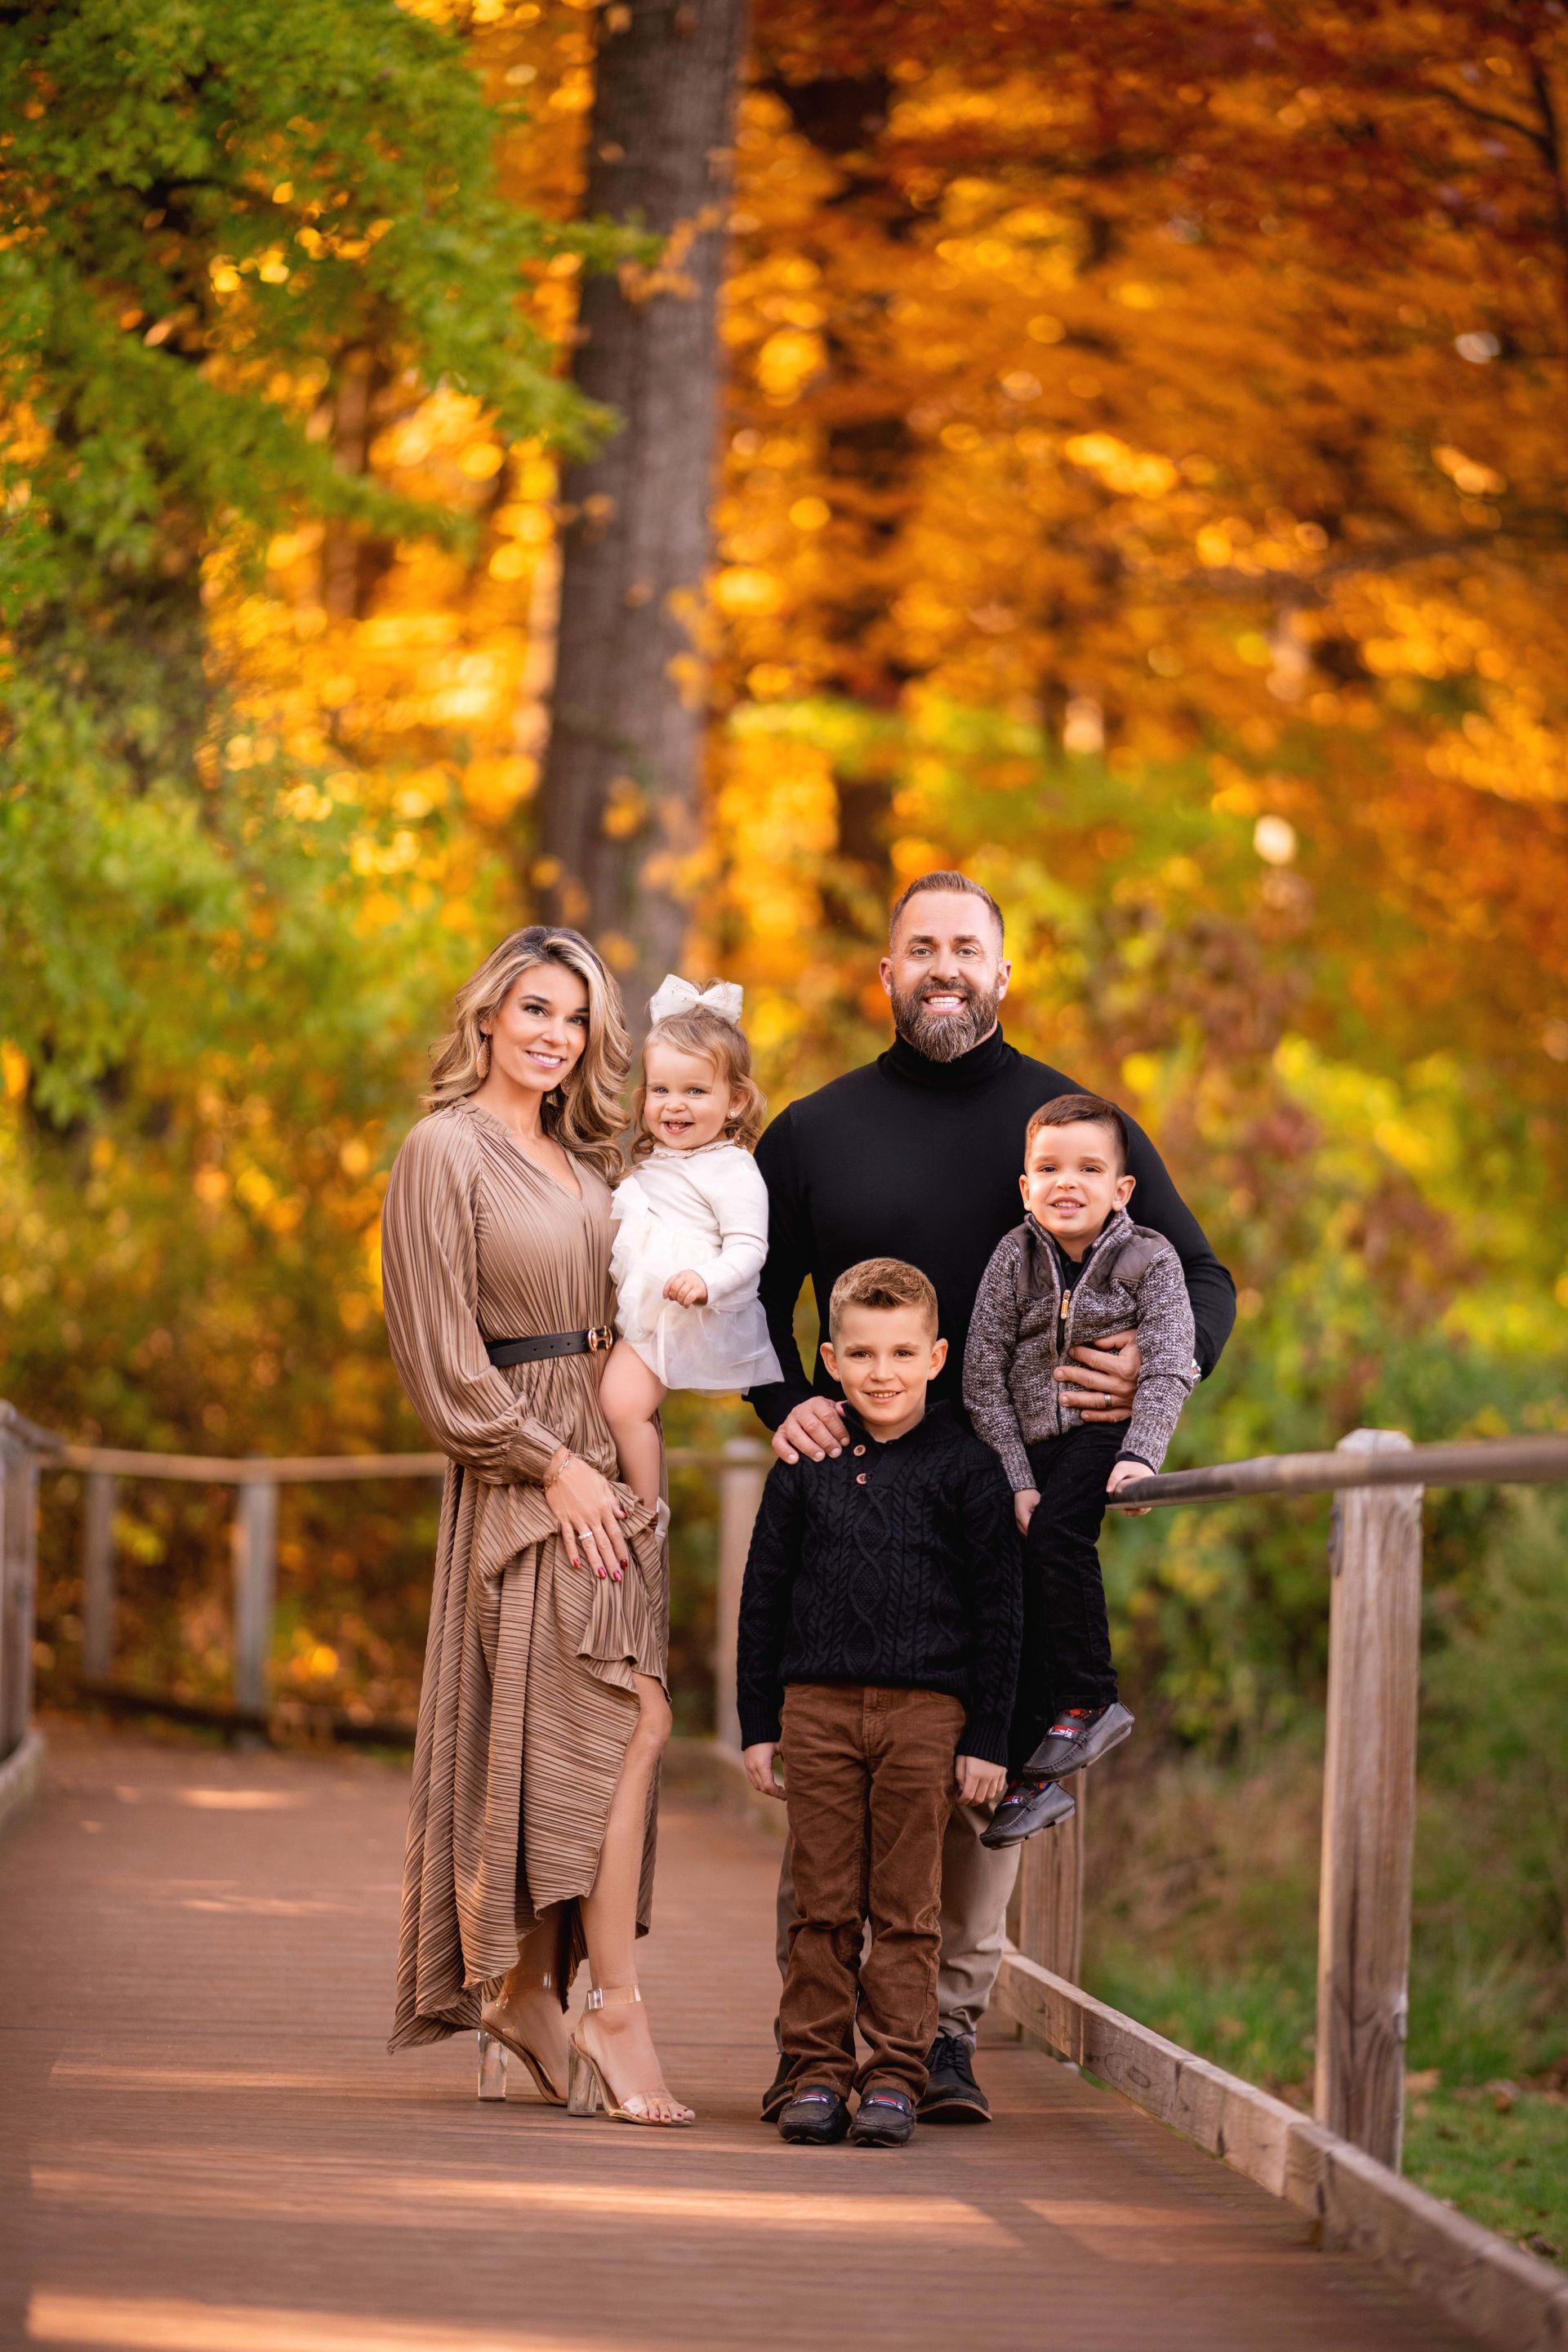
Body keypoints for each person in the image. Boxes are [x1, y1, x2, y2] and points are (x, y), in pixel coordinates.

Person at [749, 870, 1234, 2126]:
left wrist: (1144, 1368)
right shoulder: (812, 1131)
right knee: (848, 1774)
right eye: (922, 948)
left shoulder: (1074, 1126)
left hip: (1013, 1492)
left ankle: (944, 2031)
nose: (945, 967)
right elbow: (749, 1296)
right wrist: (779, 1404)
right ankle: (816, 2046)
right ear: (888, 973)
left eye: (969, 947)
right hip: (854, 1501)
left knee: (987, 1766)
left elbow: (1203, 1276)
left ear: (1005, 973)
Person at [381, 924, 693, 2127]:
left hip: (610, 1477)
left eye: (574, 1017)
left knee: (596, 1736)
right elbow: (439, 1356)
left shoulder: (589, 1165)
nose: (554, 1035)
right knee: (622, 1724)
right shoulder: (441, 1150)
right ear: (488, 1017)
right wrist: (549, 1463)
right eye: (535, 1009)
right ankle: (589, 2002)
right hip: (521, 1472)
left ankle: (529, 1992)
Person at [737, 1259, 1021, 2149]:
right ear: (830, 1358)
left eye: (902, 1352)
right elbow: (763, 1595)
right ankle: (815, 2070)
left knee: (907, 1906)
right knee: (822, 1902)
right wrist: (758, 1724)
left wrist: (988, 1738)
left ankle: (896, 2072)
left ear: (938, 1357)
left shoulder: (967, 1468)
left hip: (926, 1717)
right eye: (861, 1354)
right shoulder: (807, 1463)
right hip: (818, 1709)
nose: (882, 1373)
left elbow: (1000, 1612)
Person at [964, 1092, 1197, 1847]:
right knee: (1018, 1594)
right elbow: (981, 1375)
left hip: (1101, 1433)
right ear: (1025, 1185)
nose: (1068, 1183)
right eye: (1049, 1168)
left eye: (1089, 1168)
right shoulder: (1013, 1257)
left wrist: (1139, 1458)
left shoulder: (1150, 1259)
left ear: (1121, 1189)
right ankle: (1031, 1781)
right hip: (1027, 1448)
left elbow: (1168, 1368)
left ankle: (1094, 1697)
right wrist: (1015, 1474)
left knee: (1061, 1537)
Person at [599, 975, 782, 1508]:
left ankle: (646, 1512)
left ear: (734, 1101)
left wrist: (706, 1281)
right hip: (643, 1298)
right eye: (661, 1090)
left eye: (695, 1091)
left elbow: (750, 1248)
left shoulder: (732, 1169)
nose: (673, 1106)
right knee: (613, 1403)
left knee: (621, 1404)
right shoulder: (664, 1157)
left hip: (677, 1306)